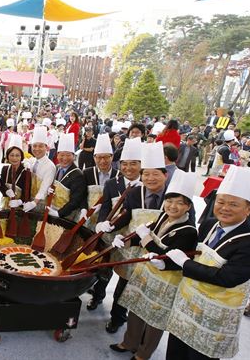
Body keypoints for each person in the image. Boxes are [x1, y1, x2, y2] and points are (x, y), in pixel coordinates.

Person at [164, 166, 250, 360]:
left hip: (214, 320)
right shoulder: (208, 225)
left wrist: (185, 264)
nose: (225, 208)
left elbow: (227, 278)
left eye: (234, 204)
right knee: (175, 353)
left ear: (249, 209)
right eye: (221, 201)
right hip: (185, 307)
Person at [111, 170, 199, 360]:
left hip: (166, 280)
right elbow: (143, 238)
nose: (172, 206)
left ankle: (144, 353)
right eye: (169, 200)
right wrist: (125, 241)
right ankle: (129, 342)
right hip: (146, 272)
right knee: (136, 307)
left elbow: (169, 258)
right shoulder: (162, 217)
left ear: (188, 207)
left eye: (179, 203)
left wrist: (146, 239)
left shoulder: (188, 231)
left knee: (154, 319)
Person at [95, 141, 171, 334]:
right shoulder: (135, 193)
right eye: (147, 174)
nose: (150, 178)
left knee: (150, 294)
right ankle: (117, 318)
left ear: (165, 174)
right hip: (132, 245)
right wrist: (109, 225)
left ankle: (143, 334)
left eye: (155, 174)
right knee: (124, 284)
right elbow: (126, 215)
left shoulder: (174, 197)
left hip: (159, 253)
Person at [86, 137, 142, 310]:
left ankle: (118, 315)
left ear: (141, 164)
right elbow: (106, 206)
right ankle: (98, 297)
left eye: (133, 163)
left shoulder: (145, 185)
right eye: (124, 163)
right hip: (111, 234)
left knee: (126, 278)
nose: (128, 168)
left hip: (134, 239)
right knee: (105, 270)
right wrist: (102, 223)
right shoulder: (112, 183)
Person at [47, 133, 87, 221]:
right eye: (61, 155)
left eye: (68, 155)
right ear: (57, 155)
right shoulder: (56, 168)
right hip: (52, 209)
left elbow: (75, 201)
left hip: (67, 216)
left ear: (73, 156)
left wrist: (59, 213)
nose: (64, 158)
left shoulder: (78, 175)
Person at [83, 133, 120, 224]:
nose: (102, 161)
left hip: (109, 220)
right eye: (99, 157)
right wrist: (83, 209)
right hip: (87, 217)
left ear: (112, 157)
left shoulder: (119, 176)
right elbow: (82, 195)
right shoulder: (86, 173)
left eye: (106, 157)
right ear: (94, 158)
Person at [22, 125, 56, 214]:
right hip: (28, 200)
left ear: (46, 147)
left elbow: (45, 187)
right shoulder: (32, 161)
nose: (37, 149)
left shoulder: (50, 166)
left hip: (40, 203)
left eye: (41, 146)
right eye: (35, 146)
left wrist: (34, 202)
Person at [0, 134, 27, 211]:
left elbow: (27, 193)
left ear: (21, 157)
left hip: (20, 208)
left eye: (17, 155)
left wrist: (19, 201)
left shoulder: (26, 172)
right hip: (5, 205)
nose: (14, 158)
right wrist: (6, 191)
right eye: (12, 155)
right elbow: (1, 185)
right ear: (7, 156)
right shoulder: (5, 169)